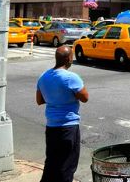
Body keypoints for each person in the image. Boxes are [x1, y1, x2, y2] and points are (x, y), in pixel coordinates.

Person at [36, 46, 89, 182]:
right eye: (72, 57)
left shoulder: (44, 76)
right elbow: (85, 98)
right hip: (68, 127)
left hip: (52, 126)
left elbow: (39, 100)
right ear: (68, 59)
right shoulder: (71, 77)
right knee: (67, 166)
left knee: (52, 164)